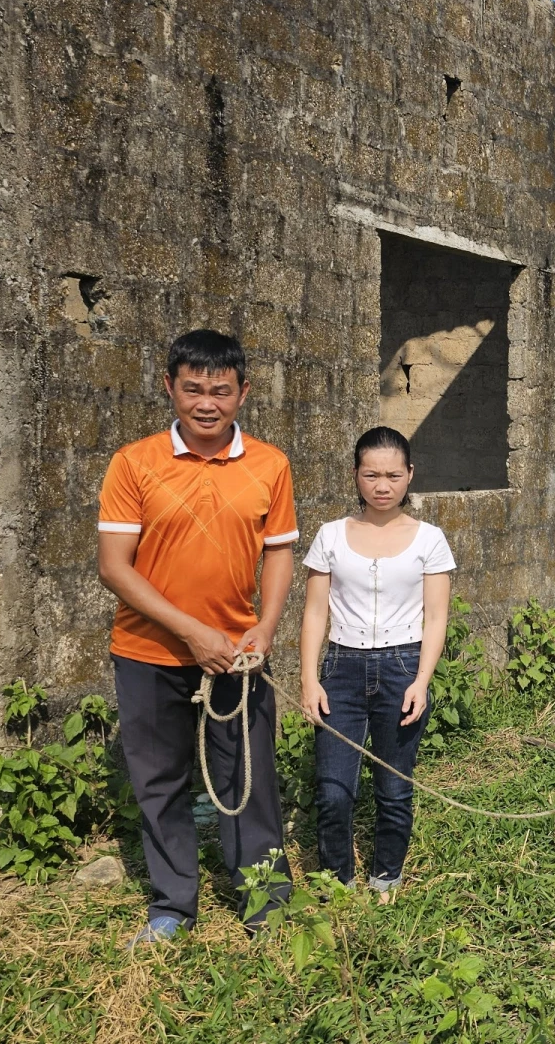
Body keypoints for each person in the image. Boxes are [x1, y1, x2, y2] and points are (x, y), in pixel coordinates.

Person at [97, 329, 299, 947]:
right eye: (191, 389)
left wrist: (263, 629)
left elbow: (280, 555)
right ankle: (173, 904)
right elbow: (114, 566)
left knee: (248, 778)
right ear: (169, 388)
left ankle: (265, 902)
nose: (205, 403)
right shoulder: (135, 463)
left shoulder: (271, 464)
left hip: (237, 657)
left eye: (219, 390)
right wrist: (191, 634)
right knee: (159, 780)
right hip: (148, 652)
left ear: (242, 392)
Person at [299, 426, 455, 903]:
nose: (382, 485)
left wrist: (421, 680)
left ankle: (386, 875)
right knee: (332, 789)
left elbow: (436, 617)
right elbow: (315, 612)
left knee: (393, 786)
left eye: (392, 474)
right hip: (341, 670)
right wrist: (308, 679)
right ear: (355, 475)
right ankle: (336, 879)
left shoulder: (429, 539)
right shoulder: (330, 536)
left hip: (403, 667)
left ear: (410, 475)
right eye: (371, 474)